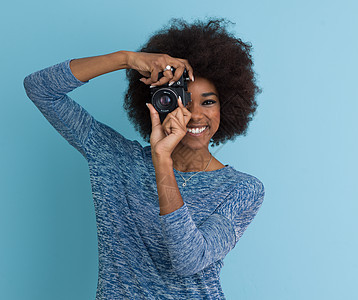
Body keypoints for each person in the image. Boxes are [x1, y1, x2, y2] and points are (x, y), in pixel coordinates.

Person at [24, 18, 265, 300]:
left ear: (228, 107)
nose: (196, 115)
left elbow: (189, 260)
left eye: (208, 101)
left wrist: (161, 159)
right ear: (161, 104)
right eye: (183, 101)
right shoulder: (115, 160)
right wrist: (126, 59)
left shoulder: (242, 189)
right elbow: (40, 89)